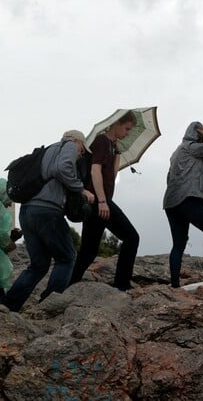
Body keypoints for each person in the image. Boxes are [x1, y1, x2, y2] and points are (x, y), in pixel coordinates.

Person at [0, 131, 95, 311]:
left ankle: (8, 305)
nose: (81, 154)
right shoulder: (69, 146)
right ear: (76, 141)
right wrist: (81, 189)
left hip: (27, 211)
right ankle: (49, 305)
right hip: (47, 211)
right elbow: (62, 168)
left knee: (39, 264)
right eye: (82, 149)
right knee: (67, 258)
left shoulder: (47, 151)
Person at [69, 111, 140, 290]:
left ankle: (68, 284)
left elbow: (112, 176)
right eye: (127, 128)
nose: (128, 133)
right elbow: (95, 171)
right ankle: (122, 283)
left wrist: (117, 154)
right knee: (131, 237)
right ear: (116, 123)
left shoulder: (112, 146)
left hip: (99, 201)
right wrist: (102, 201)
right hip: (98, 201)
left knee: (88, 251)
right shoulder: (101, 141)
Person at [163, 122, 203, 288]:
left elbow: (168, 178)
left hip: (171, 202)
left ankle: (174, 283)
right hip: (187, 199)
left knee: (178, 244)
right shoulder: (191, 147)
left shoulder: (176, 153)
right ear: (197, 134)